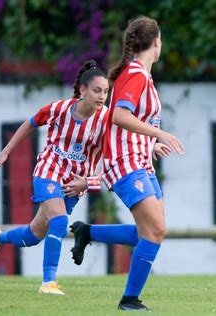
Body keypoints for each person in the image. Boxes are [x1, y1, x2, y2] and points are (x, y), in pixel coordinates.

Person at [69, 16, 184, 311]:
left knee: (151, 231)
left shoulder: (140, 74)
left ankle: (88, 232)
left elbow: (129, 123)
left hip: (140, 159)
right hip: (125, 163)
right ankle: (129, 300)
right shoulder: (135, 74)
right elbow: (120, 116)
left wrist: (150, 143)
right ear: (156, 42)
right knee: (154, 232)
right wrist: (159, 133)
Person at [0, 60, 110, 295]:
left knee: (34, 235)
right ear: (82, 90)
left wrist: (87, 182)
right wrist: (6, 151)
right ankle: (48, 282)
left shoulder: (107, 120)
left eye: (106, 91)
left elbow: (113, 158)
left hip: (74, 182)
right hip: (48, 170)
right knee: (59, 221)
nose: (102, 96)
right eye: (97, 90)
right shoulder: (59, 109)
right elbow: (30, 123)